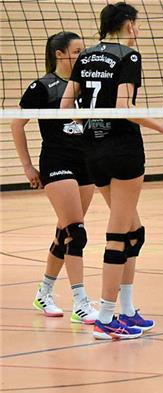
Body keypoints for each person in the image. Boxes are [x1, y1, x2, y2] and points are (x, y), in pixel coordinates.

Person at [61, 2, 163, 340]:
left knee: (134, 231)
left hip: (93, 151)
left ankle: (126, 310)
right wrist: (160, 126)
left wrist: (84, 125)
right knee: (118, 235)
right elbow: (123, 108)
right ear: (128, 25)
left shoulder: (84, 56)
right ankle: (105, 317)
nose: (138, 29)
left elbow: (64, 106)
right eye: (137, 24)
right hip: (124, 151)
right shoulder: (129, 56)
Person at [11, 31, 100, 324]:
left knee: (66, 231)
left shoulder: (86, 86)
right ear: (60, 54)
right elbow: (17, 123)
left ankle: (44, 291)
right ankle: (81, 302)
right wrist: (27, 167)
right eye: (76, 51)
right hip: (56, 162)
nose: (81, 54)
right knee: (77, 231)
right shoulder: (43, 86)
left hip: (84, 163)